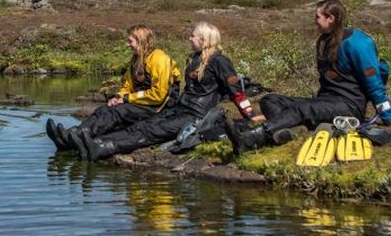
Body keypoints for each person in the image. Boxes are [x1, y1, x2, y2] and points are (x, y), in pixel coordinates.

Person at [225, 0, 391, 154]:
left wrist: (390, 119)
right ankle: (288, 130)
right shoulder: (324, 41)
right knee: (270, 100)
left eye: (317, 17)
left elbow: (374, 83)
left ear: (330, 18)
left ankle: (250, 139)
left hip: (349, 106)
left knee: (302, 109)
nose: (314, 21)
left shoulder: (358, 43)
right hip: (326, 101)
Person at [74, 22, 255, 161]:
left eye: (192, 36)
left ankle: (105, 148)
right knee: (142, 125)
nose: (189, 39)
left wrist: (249, 115)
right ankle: (96, 142)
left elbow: (236, 92)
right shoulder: (193, 59)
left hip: (197, 116)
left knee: (152, 130)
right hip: (180, 109)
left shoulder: (220, 61)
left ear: (203, 39)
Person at [45, 24, 180, 151]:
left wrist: (126, 99)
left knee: (117, 112)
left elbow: (158, 95)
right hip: (143, 103)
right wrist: (118, 97)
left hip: (159, 107)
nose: (128, 45)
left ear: (141, 41)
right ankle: (73, 134)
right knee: (105, 109)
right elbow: (127, 86)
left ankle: (77, 136)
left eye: (130, 41)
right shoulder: (136, 60)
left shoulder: (159, 59)